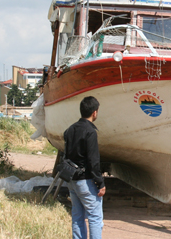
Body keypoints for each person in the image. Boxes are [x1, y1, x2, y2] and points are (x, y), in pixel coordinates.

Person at [64, 96, 106, 239]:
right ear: (95, 112)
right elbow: (93, 161)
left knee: (77, 216)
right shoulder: (90, 132)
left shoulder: (70, 130)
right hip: (86, 181)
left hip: (71, 179)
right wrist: (100, 183)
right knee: (95, 217)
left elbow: (67, 155)